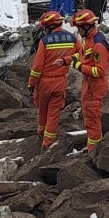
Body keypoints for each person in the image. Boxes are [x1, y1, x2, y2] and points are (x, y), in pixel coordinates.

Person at [28, 11, 77, 148]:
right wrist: (67, 61)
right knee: (54, 113)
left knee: (42, 109)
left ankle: (41, 133)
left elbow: (37, 67)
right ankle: (48, 143)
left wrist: (31, 84)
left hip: (44, 82)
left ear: (49, 26)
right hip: (60, 81)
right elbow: (81, 54)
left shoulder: (45, 42)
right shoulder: (72, 38)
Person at [72, 9, 109, 152]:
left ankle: (93, 151)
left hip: (95, 86)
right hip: (89, 85)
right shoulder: (88, 41)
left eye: (79, 28)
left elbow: (100, 71)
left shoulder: (98, 44)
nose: (78, 31)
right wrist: (66, 60)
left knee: (93, 120)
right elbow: (81, 57)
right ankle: (92, 148)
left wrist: (80, 67)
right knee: (89, 118)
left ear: (86, 27)